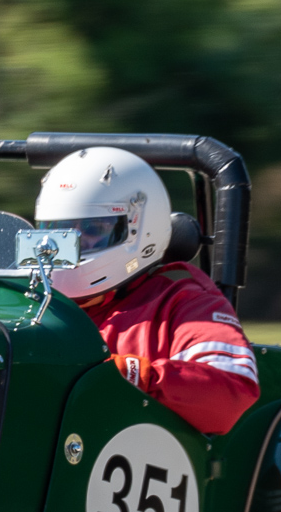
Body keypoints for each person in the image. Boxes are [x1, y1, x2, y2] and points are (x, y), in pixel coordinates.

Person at [34, 147, 259, 436]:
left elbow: (232, 392)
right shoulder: (29, 295)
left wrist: (138, 376)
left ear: (139, 228)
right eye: (59, 228)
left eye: (93, 228)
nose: (73, 242)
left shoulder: (183, 299)